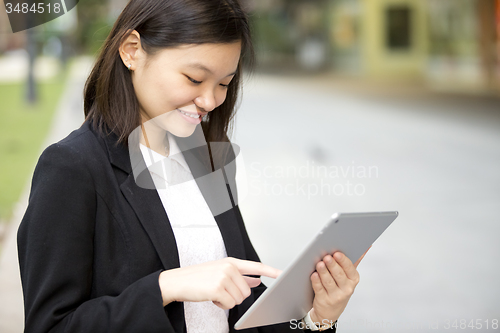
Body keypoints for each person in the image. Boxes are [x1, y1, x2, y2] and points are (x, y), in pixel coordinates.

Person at [17, 0, 364, 332]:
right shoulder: (72, 168)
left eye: (225, 84)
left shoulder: (206, 161)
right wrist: (167, 286)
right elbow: (50, 325)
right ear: (132, 50)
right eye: (195, 79)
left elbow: (246, 309)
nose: (210, 100)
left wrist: (318, 317)